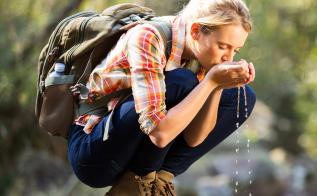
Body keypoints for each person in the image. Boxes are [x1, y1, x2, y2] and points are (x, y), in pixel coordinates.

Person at [66, 0, 256, 194]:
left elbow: (193, 139)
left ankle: (155, 182)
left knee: (241, 95)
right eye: (223, 46)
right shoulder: (148, 37)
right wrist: (210, 82)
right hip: (94, 153)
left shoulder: (200, 56)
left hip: (136, 152)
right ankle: (140, 180)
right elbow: (159, 134)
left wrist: (217, 87)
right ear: (196, 31)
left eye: (235, 51)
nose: (229, 58)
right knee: (183, 82)